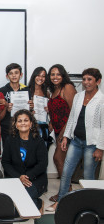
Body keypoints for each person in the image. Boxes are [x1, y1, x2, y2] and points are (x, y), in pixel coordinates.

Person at [46, 68, 104, 212]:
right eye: (84, 79)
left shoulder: (101, 100)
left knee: (88, 176)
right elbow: (72, 117)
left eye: (89, 79)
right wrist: (66, 136)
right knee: (66, 172)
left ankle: (90, 206)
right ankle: (60, 202)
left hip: (92, 144)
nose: (86, 82)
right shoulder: (79, 97)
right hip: (76, 141)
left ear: (98, 81)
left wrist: (100, 148)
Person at [2, 109, 48, 212]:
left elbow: (43, 164)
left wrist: (26, 177)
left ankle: (39, 203)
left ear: (31, 123)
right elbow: (5, 162)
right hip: (15, 177)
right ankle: (36, 203)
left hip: (35, 179)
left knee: (23, 198)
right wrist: (19, 177)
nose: (23, 123)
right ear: (16, 124)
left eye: (26, 120)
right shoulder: (10, 140)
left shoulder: (39, 141)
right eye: (20, 121)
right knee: (10, 202)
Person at [47, 64, 76, 202]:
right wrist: (52, 122)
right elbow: (56, 109)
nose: (55, 77)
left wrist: (64, 133)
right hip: (58, 130)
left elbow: (73, 112)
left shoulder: (68, 87)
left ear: (63, 75)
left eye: (58, 74)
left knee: (58, 158)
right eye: (52, 74)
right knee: (61, 160)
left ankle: (65, 193)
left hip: (68, 131)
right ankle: (67, 191)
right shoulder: (53, 89)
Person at [0, 63, 33, 149]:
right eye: (11, 73)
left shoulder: (27, 90)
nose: (14, 75)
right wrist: (7, 107)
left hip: (23, 127)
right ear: (7, 76)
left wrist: (31, 107)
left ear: (21, 75)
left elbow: (30, 111)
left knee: (23, 152)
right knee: (8, 152)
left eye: (16, 73)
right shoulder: (2, 91)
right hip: (7, 127)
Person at [28, 67, 50, 147]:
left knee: (42, 151)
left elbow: (49, 114)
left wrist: (49, 110)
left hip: (43, 127)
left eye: (43, 76)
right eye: (38, 75)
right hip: (30, 127)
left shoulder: (47, 93)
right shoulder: (27, 91)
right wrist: (29, 110)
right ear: (34, 76)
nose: (40, 78)